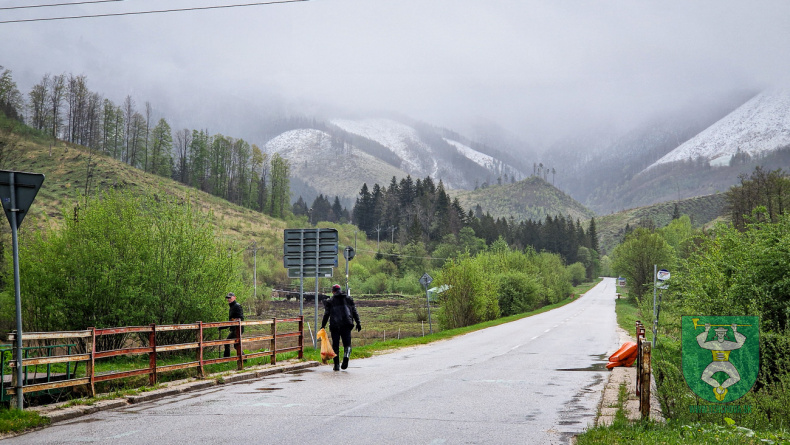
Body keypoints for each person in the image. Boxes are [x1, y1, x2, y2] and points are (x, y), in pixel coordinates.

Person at [321, 284, 362, 371]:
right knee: (347, 344)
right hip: (347, 324)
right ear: (340, 290)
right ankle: (346, 357)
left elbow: (326, 314)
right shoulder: (348, 299)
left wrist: (323, 325)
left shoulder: (330, 301)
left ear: (333, 291)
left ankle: (336, 365)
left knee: (335, 345)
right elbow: (354, 311)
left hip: (335, 325)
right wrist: (358, 322)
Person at [220, 292, 245, 358]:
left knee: (227, 342)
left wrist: (227, 325)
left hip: (238, 328)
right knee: (236, 345)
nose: (229, 299)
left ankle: (226, 359)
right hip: (235, 328)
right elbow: (231, 320)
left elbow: (240, 318)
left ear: (234, 297)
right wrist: (224, 327)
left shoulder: (237, 306)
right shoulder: (232, 306)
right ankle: (243, 358)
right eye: (228, 298)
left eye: (230, 298)